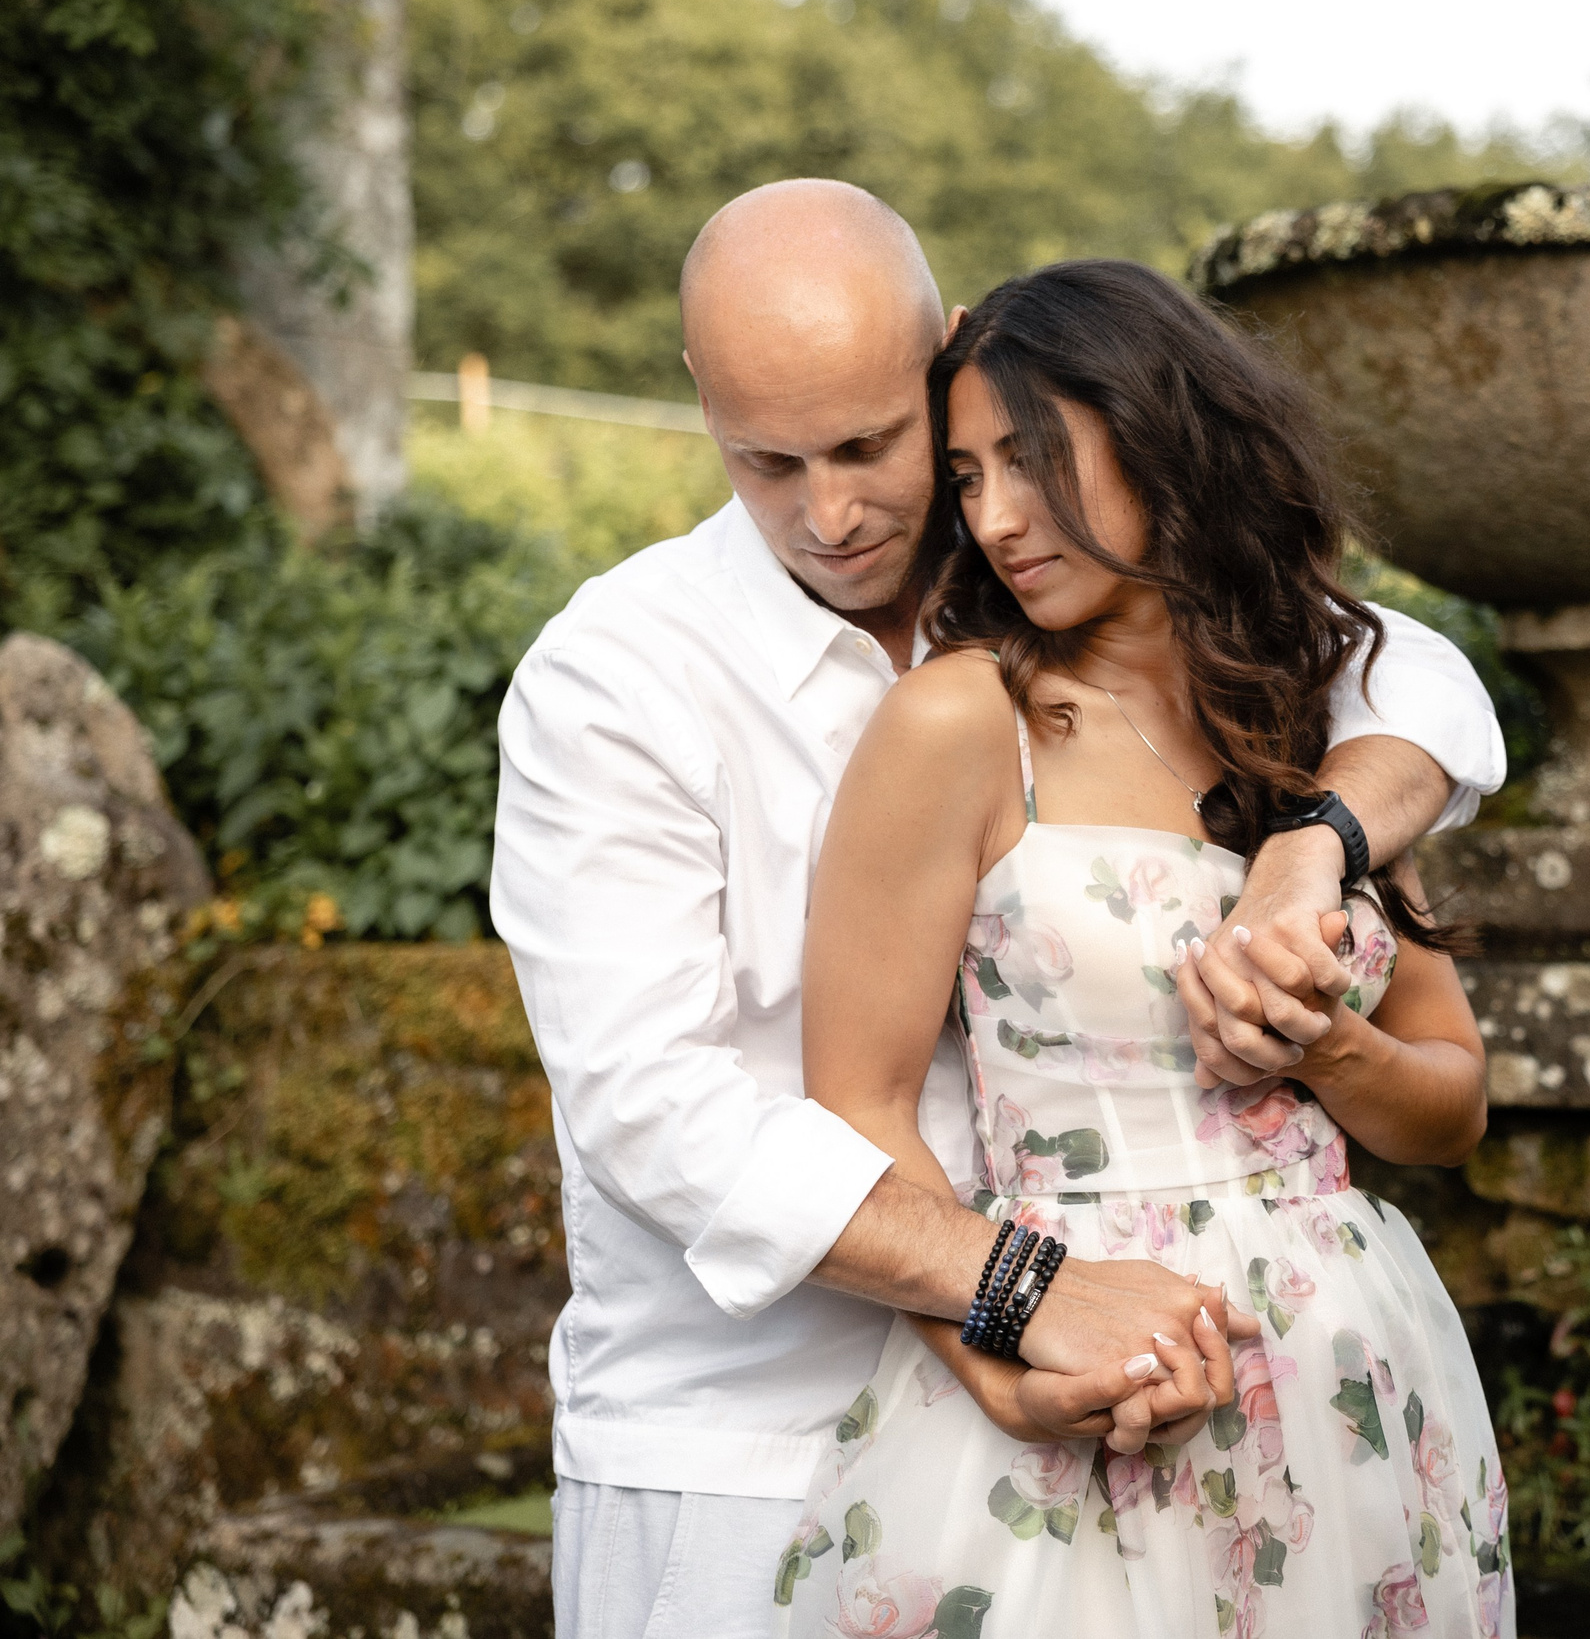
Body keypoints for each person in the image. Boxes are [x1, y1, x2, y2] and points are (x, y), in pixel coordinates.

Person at [491, 180, 1505, 1638]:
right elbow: (651, 1106)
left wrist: (1313, 852)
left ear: (949, 360)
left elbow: (1413, 677)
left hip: (1153, 1375)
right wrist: (1014, 1296)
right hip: (738, 1435)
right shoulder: (616, 678)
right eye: (765, 460)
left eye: (872, 447)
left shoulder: (1048, 581)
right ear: (703, 408)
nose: (828, 514)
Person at [778, 258, 1513, 1639]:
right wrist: (1006, 1340)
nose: (995, 516)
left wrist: (1332, 1050)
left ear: (1157, 426)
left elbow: (1454, 1102)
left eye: (1033, 458)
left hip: (1347, 1366)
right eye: (969, 475)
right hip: (1091, 1367)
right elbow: (854, 1112)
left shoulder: (1318, 721)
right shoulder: (962, 723)